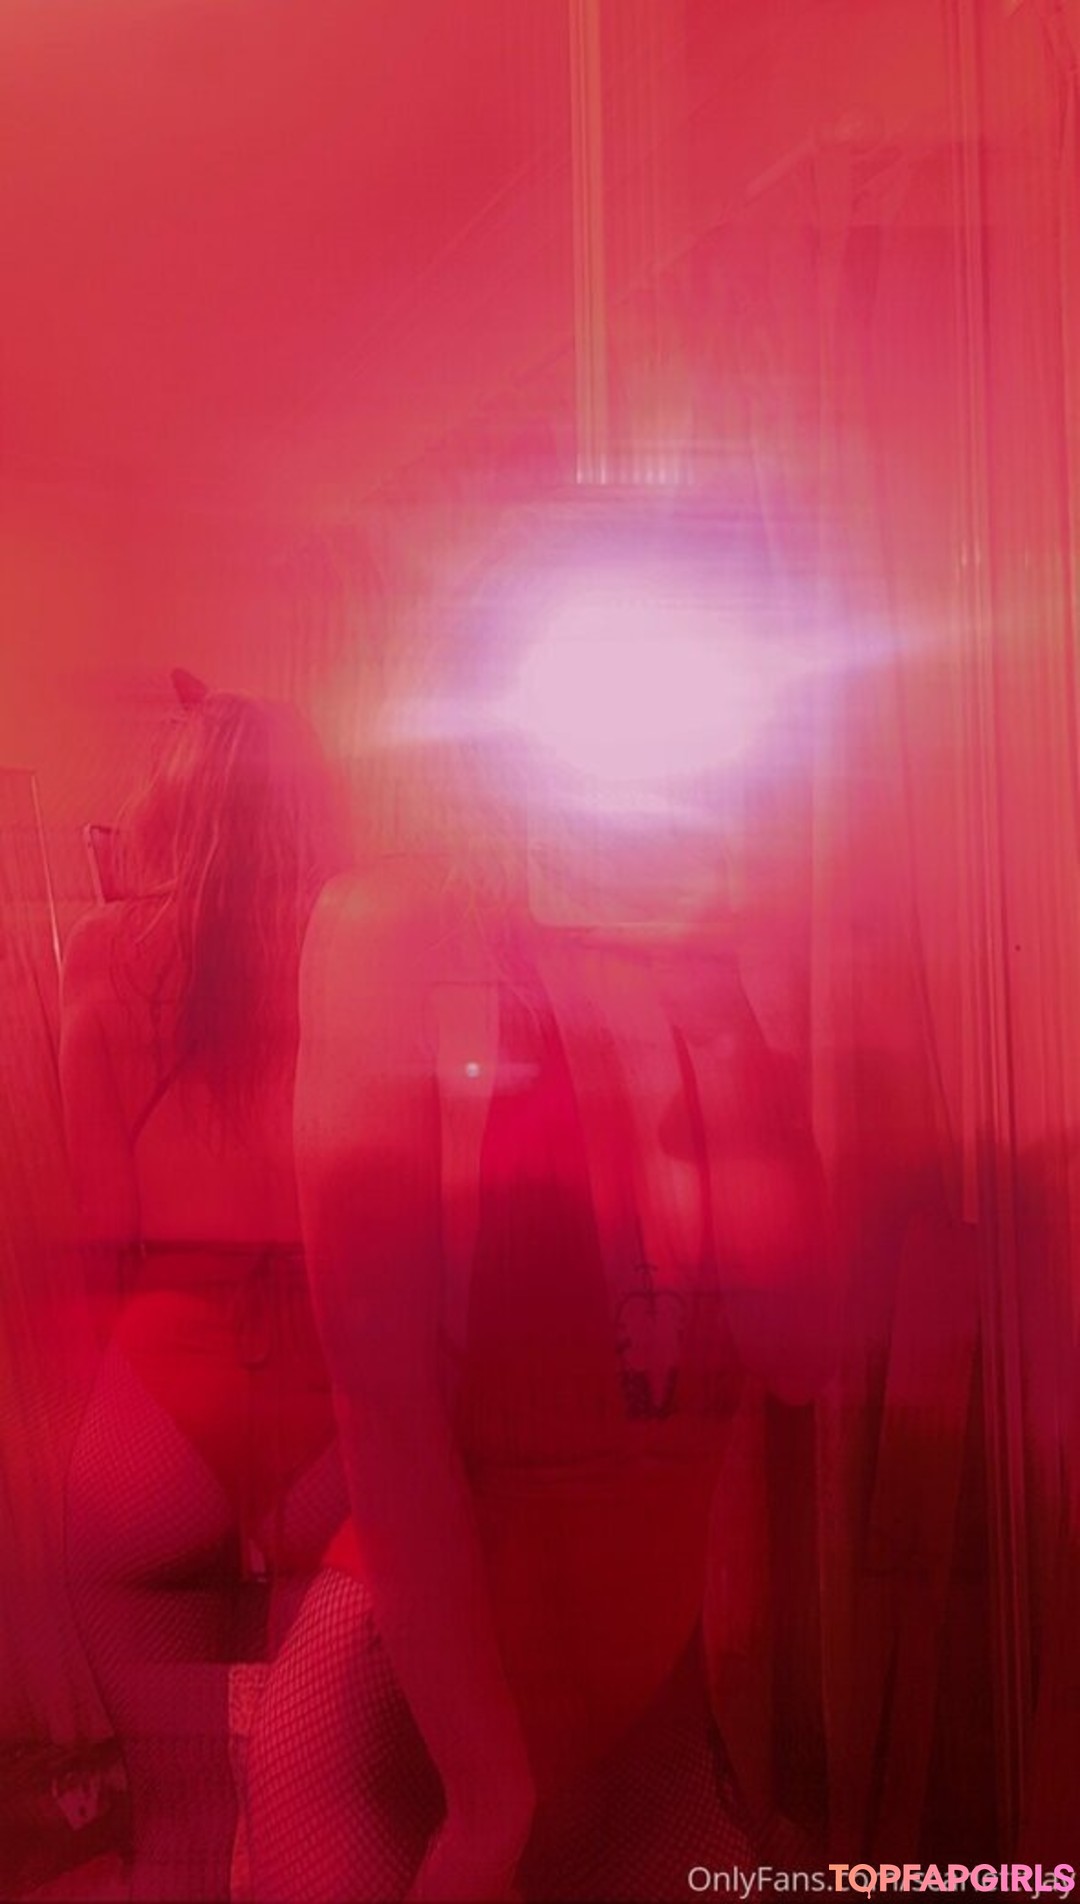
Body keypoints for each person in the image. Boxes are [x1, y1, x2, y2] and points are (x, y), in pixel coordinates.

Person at [242, 628, 835, 1901]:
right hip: (408, 1725)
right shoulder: (397, 932)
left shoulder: (717, 965)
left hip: (645, 1730)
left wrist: (724, 1020)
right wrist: (485, 1799)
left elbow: (802, 1349)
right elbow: (382, 1397)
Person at [61, 683, 348, 1902]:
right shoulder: (354, 947)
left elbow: (100, 1218)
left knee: (181, 1814)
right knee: (327, 1805)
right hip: (327, 1376)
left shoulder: (108, 953)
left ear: (167, 808)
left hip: (167, 1370)